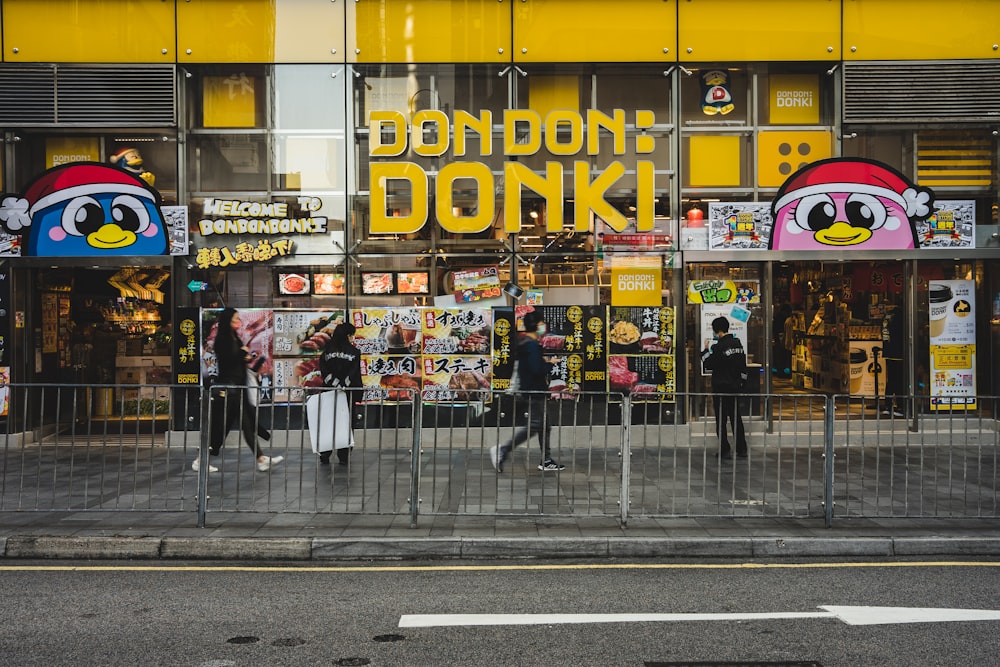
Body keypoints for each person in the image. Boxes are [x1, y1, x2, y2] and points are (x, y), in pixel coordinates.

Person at [195, 308, 283, 473]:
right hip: (228, 389)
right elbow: (227, 359)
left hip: (238, 387)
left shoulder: (234, 338)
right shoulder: (222, 339)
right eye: (236, 318)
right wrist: (241, 353)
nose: (239, 322)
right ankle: (201, 460)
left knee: (247, 424)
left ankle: (261, 459)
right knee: (221, 428)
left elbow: (237, 358)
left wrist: (246, 357)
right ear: (228, 320)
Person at [489, 310, 565, 473]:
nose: (543, 326)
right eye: (541, 323)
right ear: (537, 325)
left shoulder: (527, 343)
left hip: (534, 390)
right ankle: (503, 450)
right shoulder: (531, 345)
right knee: (536, 425)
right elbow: (536, 369)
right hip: (534, 391)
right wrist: (550, 364)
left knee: (545, 425)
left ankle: (546, 459)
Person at [701, 316, 749, 460]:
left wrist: (705, 350)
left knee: (721, 420)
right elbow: (743, 367)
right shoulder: (737, 344)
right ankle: (742, 449)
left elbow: (709, 364)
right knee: (736, 418)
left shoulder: (718, 347)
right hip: (734, 387)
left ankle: (724, 449)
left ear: (717, 330)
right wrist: (741, 383)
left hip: (721, 387)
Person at [317, 322, 362, 465]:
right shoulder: (354, 352)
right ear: (348, 335)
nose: (352, 338)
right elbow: (354, 373)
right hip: (347, 394)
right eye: (352, 335)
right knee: (346, 424)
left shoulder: (327, 350)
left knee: (328, 423)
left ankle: (325, 454)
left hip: (329, 392)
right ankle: (343, 455)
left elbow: (324, 371)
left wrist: (334, 383)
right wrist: (344, 385)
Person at [881, 304, 906, 418]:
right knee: (900, 381)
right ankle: (900, 406)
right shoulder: (901, 316)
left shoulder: (887, 316)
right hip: (899, 353)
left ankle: (888, 406)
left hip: (889, 352)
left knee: (890, 381)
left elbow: (885, 334)